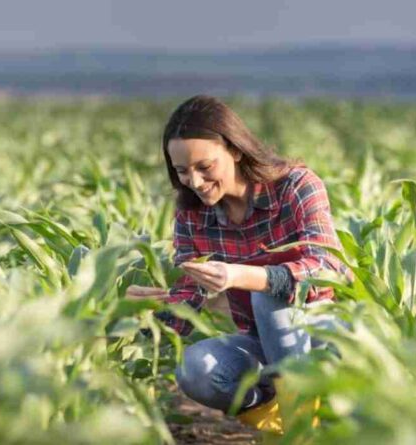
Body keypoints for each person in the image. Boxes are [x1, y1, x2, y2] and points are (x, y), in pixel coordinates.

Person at [126, 95, 347, 434]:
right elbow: (186, 304)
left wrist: (241, 275)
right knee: (196, 370)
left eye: (204, 167)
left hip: (324, 334)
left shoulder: (296, 186)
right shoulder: (192, 218)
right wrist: (132, 311)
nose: (194, 182)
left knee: (267, 293)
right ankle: (281, 412)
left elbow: (328, 266)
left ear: (236, 150)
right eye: (182, 171)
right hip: (263, 344)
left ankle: (302, 428)